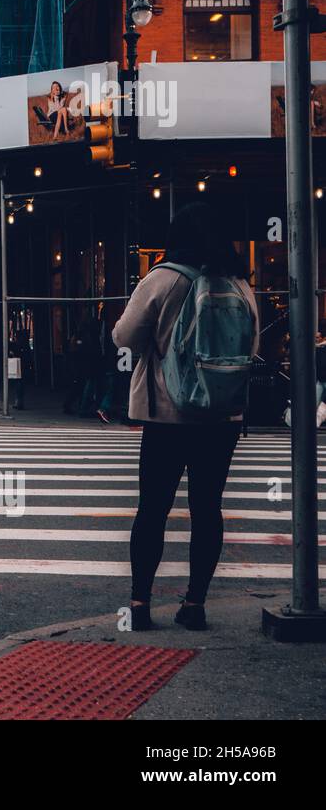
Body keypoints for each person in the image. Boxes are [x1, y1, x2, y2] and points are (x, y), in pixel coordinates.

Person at [114, 202, 257, 633]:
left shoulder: (163, 279)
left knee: (153, 509)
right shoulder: (240, 284)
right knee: (207, 510)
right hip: (221, 419)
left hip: (167, 414)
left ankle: (139, 605)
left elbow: (124, 335)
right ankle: (194, 604)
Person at [7, 331, 32, 411]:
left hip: (19, 367)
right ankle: (19, 402)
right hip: (25, 367)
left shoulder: (17, 345)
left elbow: (12, 351)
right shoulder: (26, 346)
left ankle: (18, 403)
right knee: (21, 385)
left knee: (18, 385)